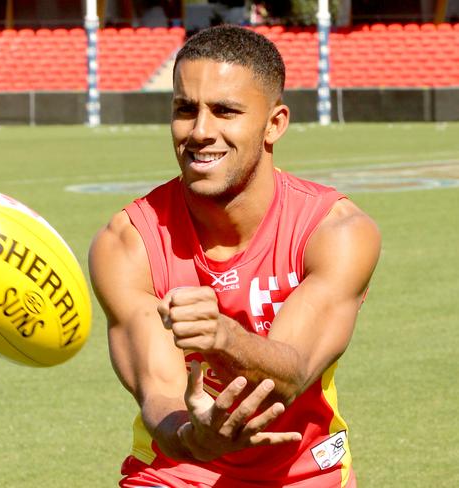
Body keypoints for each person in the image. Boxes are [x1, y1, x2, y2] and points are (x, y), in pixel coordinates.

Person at [89, 24, 381, 488]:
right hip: (176, 468)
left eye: (225, 111)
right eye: (186, 110)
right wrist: (188, 435)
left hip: (302, 470)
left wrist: (224, 336)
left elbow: (293, 371)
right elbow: (158, 389)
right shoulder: (129, 241)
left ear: (274, 124)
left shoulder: (336, 231)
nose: (201, 132)